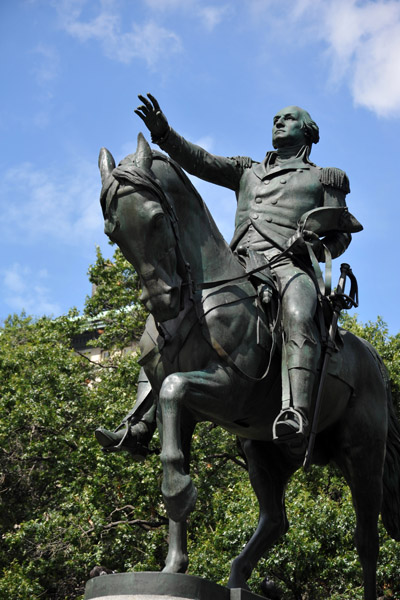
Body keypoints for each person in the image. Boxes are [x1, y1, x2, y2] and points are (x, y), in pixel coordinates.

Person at [96, 93, 355, 455]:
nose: (279, 122)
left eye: (289, 119)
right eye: (275, 118)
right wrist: (165, 134)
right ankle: (140, 421)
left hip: (288, 264)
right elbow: (200, 161)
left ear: (308, 132)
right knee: (164, 316)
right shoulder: (247, 170)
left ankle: (294, 409)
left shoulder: (324, 178)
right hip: (241, 262)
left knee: (297, 313)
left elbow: (341, 234)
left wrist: (310, 246)